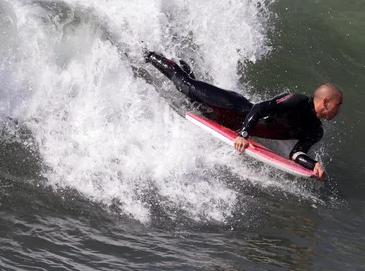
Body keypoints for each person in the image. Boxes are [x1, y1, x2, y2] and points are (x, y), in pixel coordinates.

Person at [144, 51, 343, 180]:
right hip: (232, 107)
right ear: (325, 101)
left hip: (230, 123)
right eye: (338, 104)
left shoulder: (315, 131)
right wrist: (244, 135)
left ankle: (184, 65)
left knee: (194, 101)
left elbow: (296, 155)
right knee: (184, 85)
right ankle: (147, 53)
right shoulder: (298, 101)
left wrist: (313, 165)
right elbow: (259, 109)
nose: (339, 110)